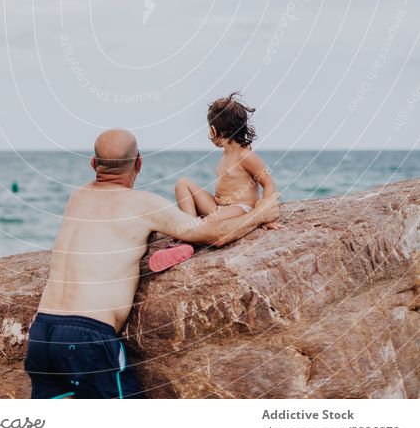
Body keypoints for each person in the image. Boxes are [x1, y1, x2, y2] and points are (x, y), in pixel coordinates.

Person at [24, 127, 280, 399]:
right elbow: (213, 234)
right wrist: (260, 215)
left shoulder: (77, 197)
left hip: (42, 334)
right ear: (139, 163)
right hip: (88, 337)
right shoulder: (143, 204)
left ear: (93, 164)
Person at [174, 92, 283, 226]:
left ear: (214, 130)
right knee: (182, 183)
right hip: (218, 206)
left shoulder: (245, 155)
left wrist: (265, 214)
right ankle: (190, 226)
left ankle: (197, 228)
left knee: (209, 222)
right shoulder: (226, 154)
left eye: (210, 128)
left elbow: (268, 183)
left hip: (241, 208)